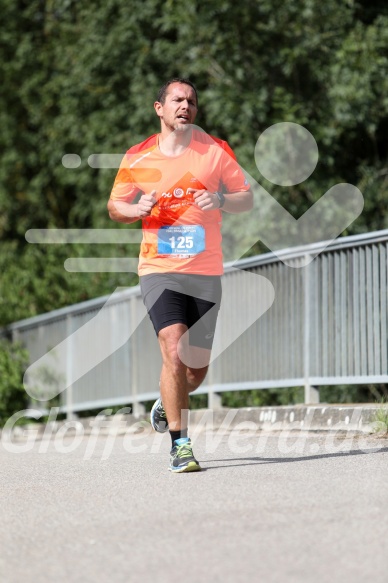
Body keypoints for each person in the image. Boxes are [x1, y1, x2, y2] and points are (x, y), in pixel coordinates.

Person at [108, 78, 253, 473]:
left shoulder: (215, 151)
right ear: (160, 108)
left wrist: (222, 198)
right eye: (177, 100)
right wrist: (135, 210)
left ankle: (166, 400)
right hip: (160, 269)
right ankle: (181, 445)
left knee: (195, 370)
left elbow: (247, 198)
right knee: (173, 350)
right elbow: (114, 206)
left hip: (206, 271)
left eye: (191, 101)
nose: (185, 106)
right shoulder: (138, 157)